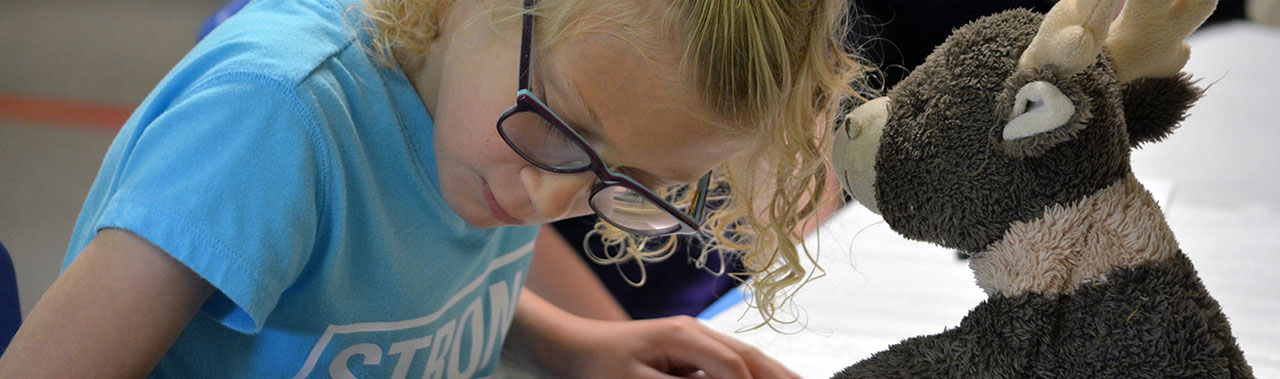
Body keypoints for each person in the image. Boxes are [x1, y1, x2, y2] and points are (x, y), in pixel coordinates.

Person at [0, 0, 863, 377]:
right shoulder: (275, 123)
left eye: (634, 182)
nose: (549, 201)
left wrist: (563, 345)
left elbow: (362, 294)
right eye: (565, 124)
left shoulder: (495, 125)